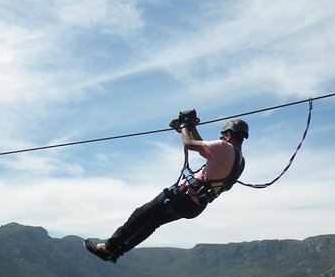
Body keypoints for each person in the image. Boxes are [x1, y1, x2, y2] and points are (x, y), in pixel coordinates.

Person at [84, 110, 248, 263]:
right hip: (194, 207)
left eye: (222, 135)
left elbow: (189, 143)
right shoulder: (240, 162)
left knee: (140, 214)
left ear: (228, 135)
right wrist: (192, 128)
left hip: (182, 196)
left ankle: (108, 247)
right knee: (152, 223)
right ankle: (115, 254)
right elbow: (204, 150)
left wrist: (184, 125)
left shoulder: (223, 147)